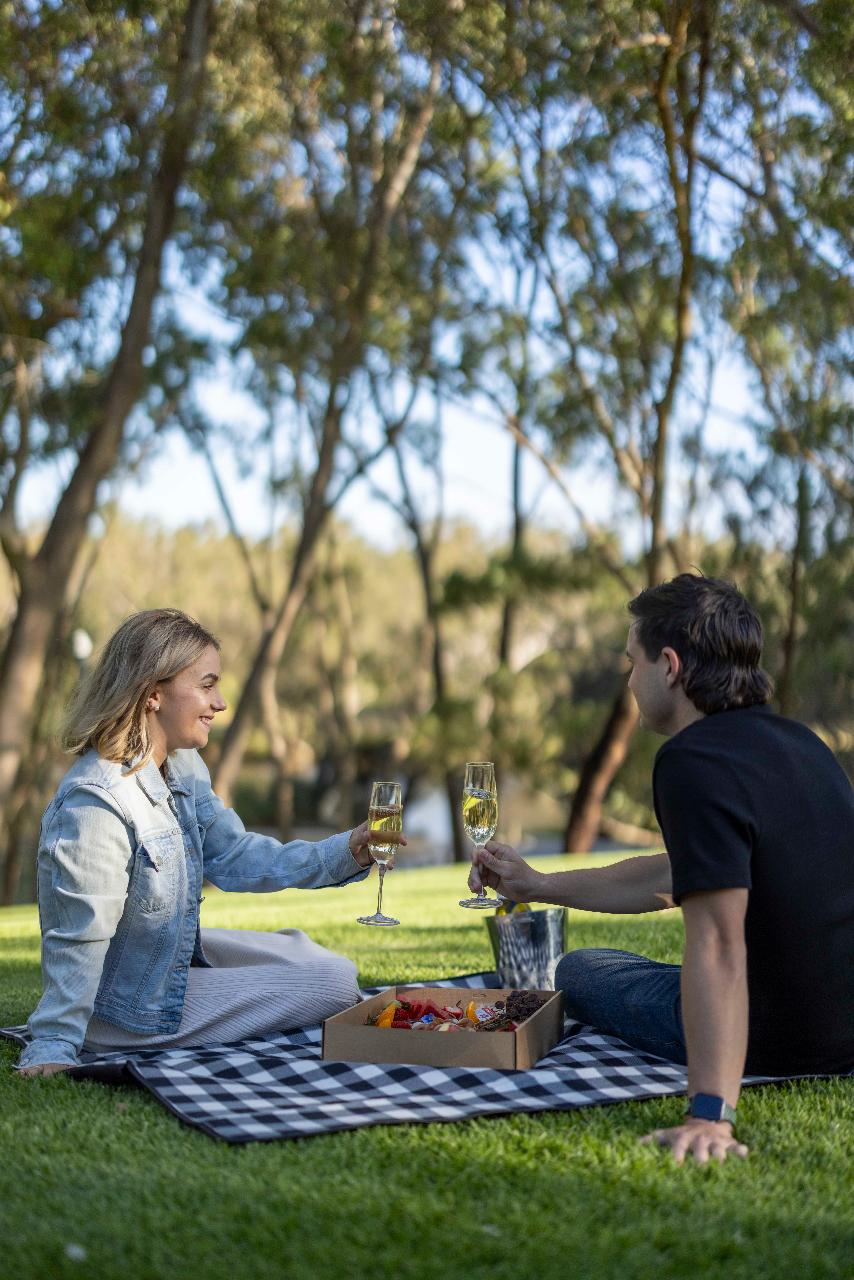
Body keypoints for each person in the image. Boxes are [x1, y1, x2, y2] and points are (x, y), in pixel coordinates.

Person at [470, 573, 854, 1164]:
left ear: (669, 666)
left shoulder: (691, 760)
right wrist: (538, 883)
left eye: (633, 662)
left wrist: (710, 1115)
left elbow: (719, 944)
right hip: (844, 1025)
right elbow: (672, 876)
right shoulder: (803, 745)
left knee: (582, 967)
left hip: (781, 1036)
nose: (629, 679)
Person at [17, 608, 395, 1077]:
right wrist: (54, 1045)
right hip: (122, 1009)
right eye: (207, 684)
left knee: (304, 949)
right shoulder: (96, 803)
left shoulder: (182, 765)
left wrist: (345, 852)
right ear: (153, 693)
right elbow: (79, 937)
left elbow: (234, 857)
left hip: (167, 957)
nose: (221, 702)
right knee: (334, 983)